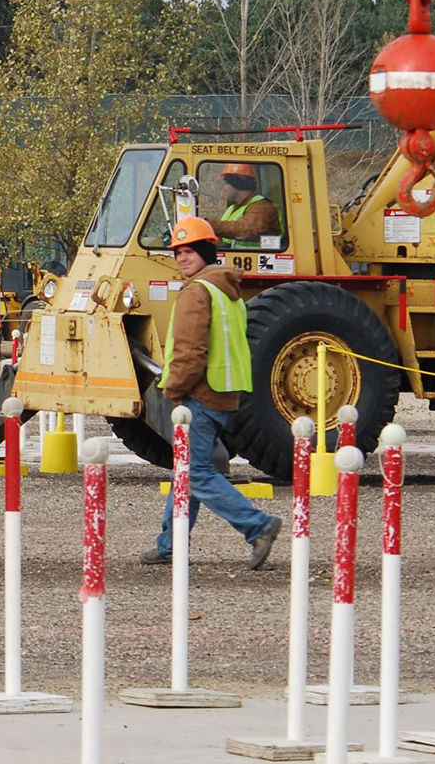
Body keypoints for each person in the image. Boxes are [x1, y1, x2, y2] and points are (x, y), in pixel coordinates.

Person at [141, 215, 282, 569]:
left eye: (189, 251)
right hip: (225, 392)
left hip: (201, 396)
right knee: (186, 470)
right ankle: (169, 544)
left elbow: (190, 352)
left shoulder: (197, 292)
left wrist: (172, 389)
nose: (182, 258)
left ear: (206, 251)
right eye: (178, 252)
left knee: (196, 473)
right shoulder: (226, 291)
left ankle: (258, 526)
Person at [213, 163, 277, 250]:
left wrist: (211, 224)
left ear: (238, 184)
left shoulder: (261, 207)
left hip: (256, 258)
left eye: (227, 184)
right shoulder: (232, 207)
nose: (224, 188)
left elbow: (245, 229)